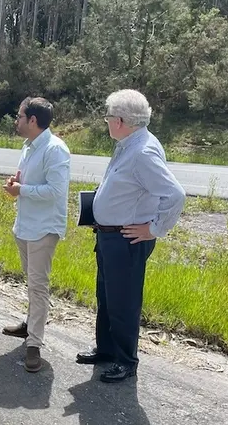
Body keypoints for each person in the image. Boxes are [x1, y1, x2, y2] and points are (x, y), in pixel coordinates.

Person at [76, 89, 185, 383]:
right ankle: (107, 350)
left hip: (127, 240)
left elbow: (175, 195)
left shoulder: (142, 152)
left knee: (123, 302)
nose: (107, 122)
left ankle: (126, 361)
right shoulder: (129, 143)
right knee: (107, 296)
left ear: (121, 120)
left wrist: (154, 229)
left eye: (108, 117)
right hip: (111, 236)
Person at [1, 97, 71, 373]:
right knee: (31, 283)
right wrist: (16, 184)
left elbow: (55, 190)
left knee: (38, 286)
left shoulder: (56, 150)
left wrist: (22, 190)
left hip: (43, 229)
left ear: (32, 120)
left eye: (19, 116)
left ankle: (34, 345)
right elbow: (29, 182)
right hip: (26, 225)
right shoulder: (29, 147)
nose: (16, 121)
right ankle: (30, 325)